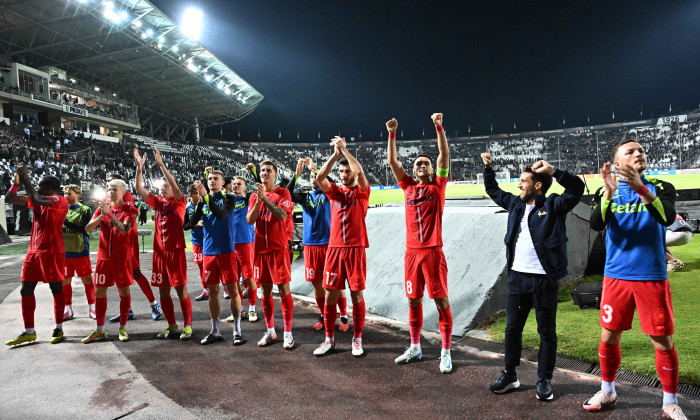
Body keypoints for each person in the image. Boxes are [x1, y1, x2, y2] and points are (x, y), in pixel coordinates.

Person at [584, 140, 686, 420]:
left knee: (662, 341)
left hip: (651, 276)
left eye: (640, 150)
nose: (638, 153)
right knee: (609, 336)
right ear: (616, 164)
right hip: (616, 277)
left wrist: (640, 187)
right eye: (630, 152)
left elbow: (665, 218)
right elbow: (596, 224)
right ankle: (608, 390)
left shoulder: (661, 187)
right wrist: (607, 194)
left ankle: (669, 402)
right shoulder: (606, 190)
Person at [481, 151, 584, 400]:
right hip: (517, 278)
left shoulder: (553, 205)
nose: (518, 184)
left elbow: (577, 189)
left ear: (537, 185)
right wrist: (488, 168)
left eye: (523, 181)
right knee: (512, 329)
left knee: (546, 332)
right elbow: (493, 190)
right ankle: (510, 374)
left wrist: (554, 171)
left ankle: (544, 379)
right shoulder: (516, 204)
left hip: (544, 280)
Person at [386, 114, 454, 373]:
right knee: (414, 302)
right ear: (414, 171)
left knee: (441, 303)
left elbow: (443, 154)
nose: (423, 165)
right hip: (411, 255)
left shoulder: (438, 185)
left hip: (433, 254)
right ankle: (415, 347)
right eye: (418, 164)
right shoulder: (408, 187)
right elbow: (393, 161)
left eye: (426, 163)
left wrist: (439, 127)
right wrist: (392, 133)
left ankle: (445, 352)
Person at [313, 137, 370, 357]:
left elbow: (361, 173)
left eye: (347, 172)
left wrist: (345, 152)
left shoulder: (362, 193)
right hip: (334, 249)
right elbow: (319, 177)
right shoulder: (334, 192)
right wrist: (336, 155)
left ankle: (357, 339)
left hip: (355, 249)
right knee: (330, 296)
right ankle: (329, 340)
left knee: (356, 295)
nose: (344, 175)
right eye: (342, 172)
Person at [5, 167, 68, 346]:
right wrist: (16, 184)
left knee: (56, 290)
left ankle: (58, 327)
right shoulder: (39, 200)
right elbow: (10, 199)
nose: (37, 188)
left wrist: (26, 179)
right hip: (33, 252)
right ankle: (29, 331)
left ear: (49, 187)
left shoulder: (59, 200)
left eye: (40, 186)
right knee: (25, 290)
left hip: (52, 252)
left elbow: (35, 197)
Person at [134, 148, 192, 340]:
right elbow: (139, 190)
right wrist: (139, 168)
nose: (162, 188)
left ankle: (188, 326)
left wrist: (161, 165)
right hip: (159, 253)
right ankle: (172, 325)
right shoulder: (158, 203)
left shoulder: (179, 202)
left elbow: (174, 186)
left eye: (165, 185)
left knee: (180, 289)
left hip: (175, 251)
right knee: (163, 290)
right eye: (161, 186)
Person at [286, 158, 349, 333]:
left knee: (334, 284)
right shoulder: (305, 196)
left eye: (317, 176)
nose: (314, 179)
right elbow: (287, 193)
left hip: (329, 245)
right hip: (310, 246)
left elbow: (333, 183)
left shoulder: (329, 193)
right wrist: (296, 175)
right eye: (312, 176)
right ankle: (324, 315)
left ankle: (343, 315)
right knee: (317, 283)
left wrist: (316, 168)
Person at [82, 179, 138, 343]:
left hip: (121, 259)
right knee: (99, 292)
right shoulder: (103, 208)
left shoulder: (130, 210)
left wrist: (110, 214)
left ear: (123, 192)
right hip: (103, 259)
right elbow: (87, 228)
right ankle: (100, 330)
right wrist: (101, 215)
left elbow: (124, 230)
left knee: (124, 293)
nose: (110, 191)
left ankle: (122, 328)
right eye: (109, 189)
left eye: (114, 189)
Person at [191, 170, 243, 345]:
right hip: (208, 252)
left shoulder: (229, 198)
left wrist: (206, 198)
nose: (212, 181)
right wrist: (196, 204)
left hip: (226, 251)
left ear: (222, 183)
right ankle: (215, 330)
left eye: (215, 179)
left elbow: (221, 214)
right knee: (212, 291)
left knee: (233, 289)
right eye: (209, 179)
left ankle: (237, 331)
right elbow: (190, 223)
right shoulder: (203, 201)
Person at [247, 161, 295, 349]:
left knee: (284, 292)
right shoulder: (254, 196)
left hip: (278, 250)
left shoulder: (283, 193)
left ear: (275, 174)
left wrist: (266, 198)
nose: (265, 173)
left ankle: (288, 333)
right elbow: (250, 220)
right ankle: (270, 331)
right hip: (260, 252)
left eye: (268, 171)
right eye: (262, 171)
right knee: (265, 293)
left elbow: (282, 216)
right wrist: (259, 199)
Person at [105, 173, 161, 322]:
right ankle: (127, 309)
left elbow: (126, 218)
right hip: (113, 243)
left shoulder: (127, 195)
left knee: (135, 272)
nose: (110, 189)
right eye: (108, 185)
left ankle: (154, 304)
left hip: (127, 241)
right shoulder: (106, 197)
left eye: (113, 185)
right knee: (118, 275)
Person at [61, 184, 96, 321]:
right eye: (65, 193)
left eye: (69, 193)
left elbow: (83, 229)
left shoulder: (85, 210)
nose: (66, 196)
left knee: (87, 280)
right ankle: (68, 310)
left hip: (80, 250)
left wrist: (63, 220)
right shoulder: (61, 209)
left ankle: (92, 308)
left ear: (77, 195)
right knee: (65, 281)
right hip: (64, 252)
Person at [226, 176, 258, 322]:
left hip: (245, 243)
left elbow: (259, 188)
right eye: (234, 184)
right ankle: (240, 309)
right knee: (233, 280)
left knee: (248, 277)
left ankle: (252, 309)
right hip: (230, 244)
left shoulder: (248, 200)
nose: (235, 186)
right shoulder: (229, 201)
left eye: (239, 184)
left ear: (246, 188)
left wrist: (253, 172)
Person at [184, 184, 207, 301]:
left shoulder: (206, 204)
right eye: (197, 194)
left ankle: (224, 288)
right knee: (201, 267)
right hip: (197, 242)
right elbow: (185, 226)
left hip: (209, 240)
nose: (200, 196)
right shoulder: (187, 208)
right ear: (191, 195)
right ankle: (205, 290)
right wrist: (194, 224)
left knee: (215, 265)